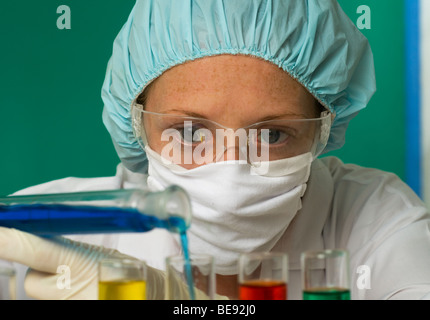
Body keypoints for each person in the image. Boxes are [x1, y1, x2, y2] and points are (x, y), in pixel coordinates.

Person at [1, 0, 430, 300]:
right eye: (189, 132)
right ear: (137, 123)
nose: (230, 174)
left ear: (322, 128)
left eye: (272, 135)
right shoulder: (54, 228)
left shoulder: (376, 224)